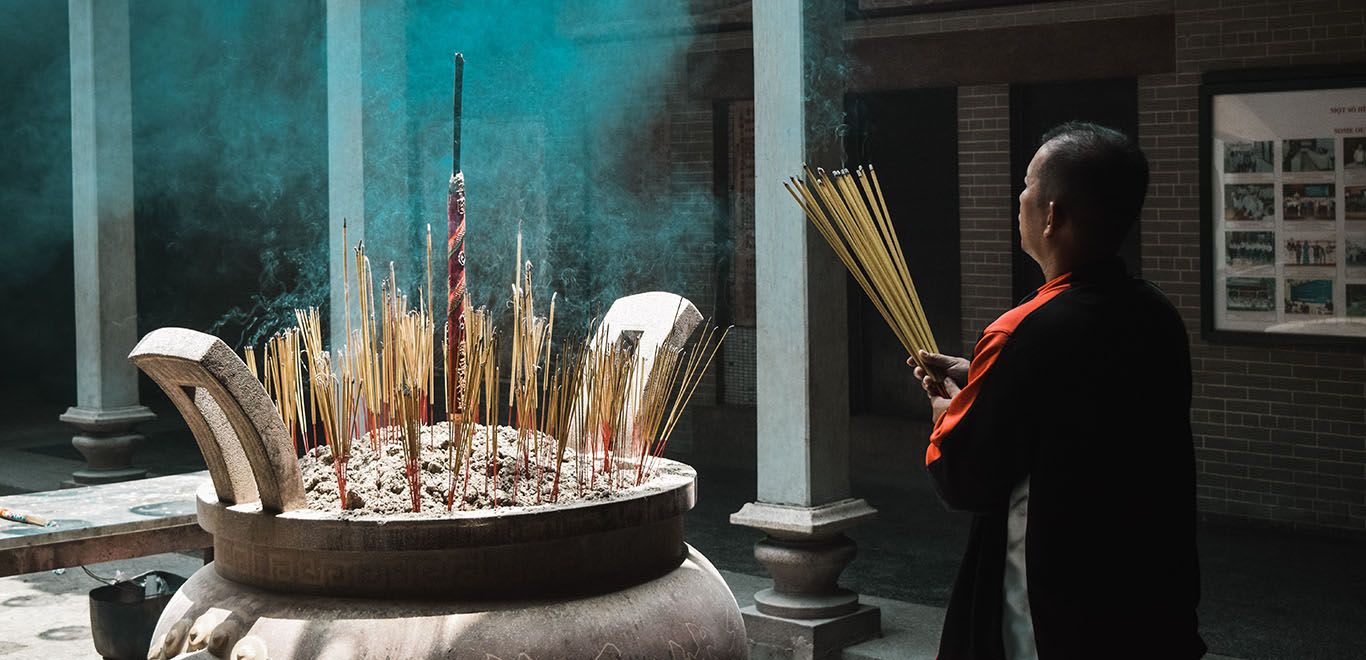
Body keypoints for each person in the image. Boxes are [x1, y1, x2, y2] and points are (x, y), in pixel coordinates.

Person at [911, 122, 1204, 660]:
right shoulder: (1157, 314)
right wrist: (986, 380)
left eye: (1026, 184)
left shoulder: (1022, 331)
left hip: (1054, 610)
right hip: (1150, 597)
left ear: (1051, 215)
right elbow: (1070, 409)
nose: (1017, 198)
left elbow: (963, 475)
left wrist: (946, 411)